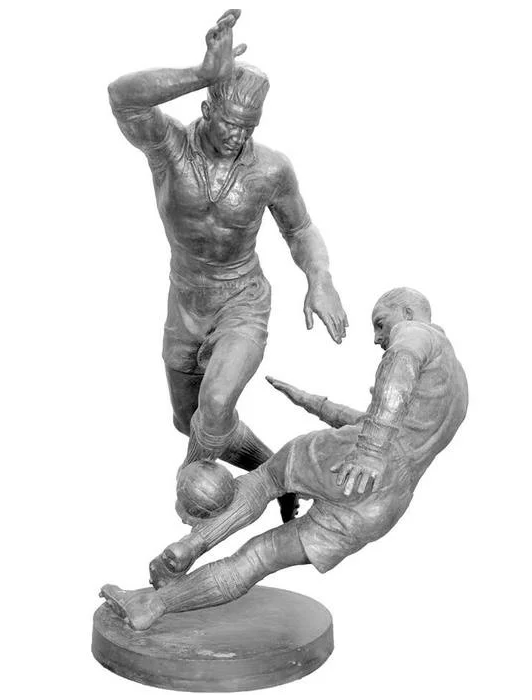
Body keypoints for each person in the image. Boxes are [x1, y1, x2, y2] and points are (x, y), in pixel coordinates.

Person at [100, 288, 468, 630]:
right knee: (258, 557)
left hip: (348, 463)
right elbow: (378, 421)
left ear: (407, 312)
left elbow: (397, 375)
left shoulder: (418, 335)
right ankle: (153, 606)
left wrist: (370, 450)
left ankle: (190, 546)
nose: (377, 337)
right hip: (382, 505)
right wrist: (312, 401)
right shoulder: (456, 385)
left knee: (266, 480)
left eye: (381, 323)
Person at [107, 9, 348, 522]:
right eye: (229, 124)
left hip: (242, 301)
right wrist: (202, 72)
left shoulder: (271, 169)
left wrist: (320, 278)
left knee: (214, 406)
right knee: (190, 420)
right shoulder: (169, 148)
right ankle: (277, 475)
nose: (238, 136)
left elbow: (300, 229)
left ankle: (194, 515)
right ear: (206, 107)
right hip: (186, 302)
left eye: (248, 128)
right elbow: (121, 96)